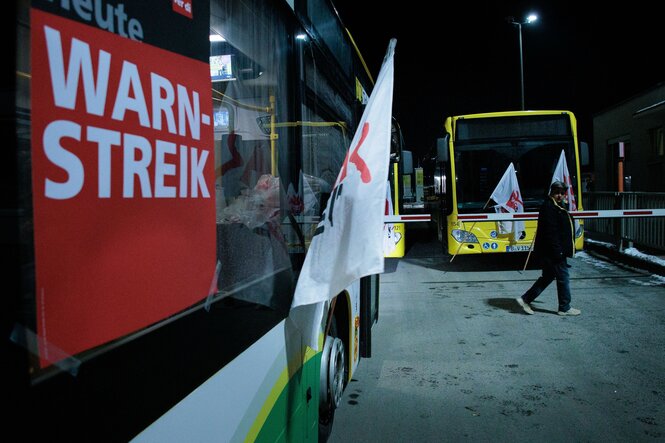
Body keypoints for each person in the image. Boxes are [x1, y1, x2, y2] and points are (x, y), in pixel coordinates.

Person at [516, 181, 581, 316]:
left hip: (552, 251)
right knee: (563, 276)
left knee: (548, 277)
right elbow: (551, 232)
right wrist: (559, 251)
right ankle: (564, 307)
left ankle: (525, 299)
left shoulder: (556, 206)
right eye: (557, 192)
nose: (559, 195)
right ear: (552, 192)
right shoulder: (550, 207)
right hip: (553, 252)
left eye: (562, 193)